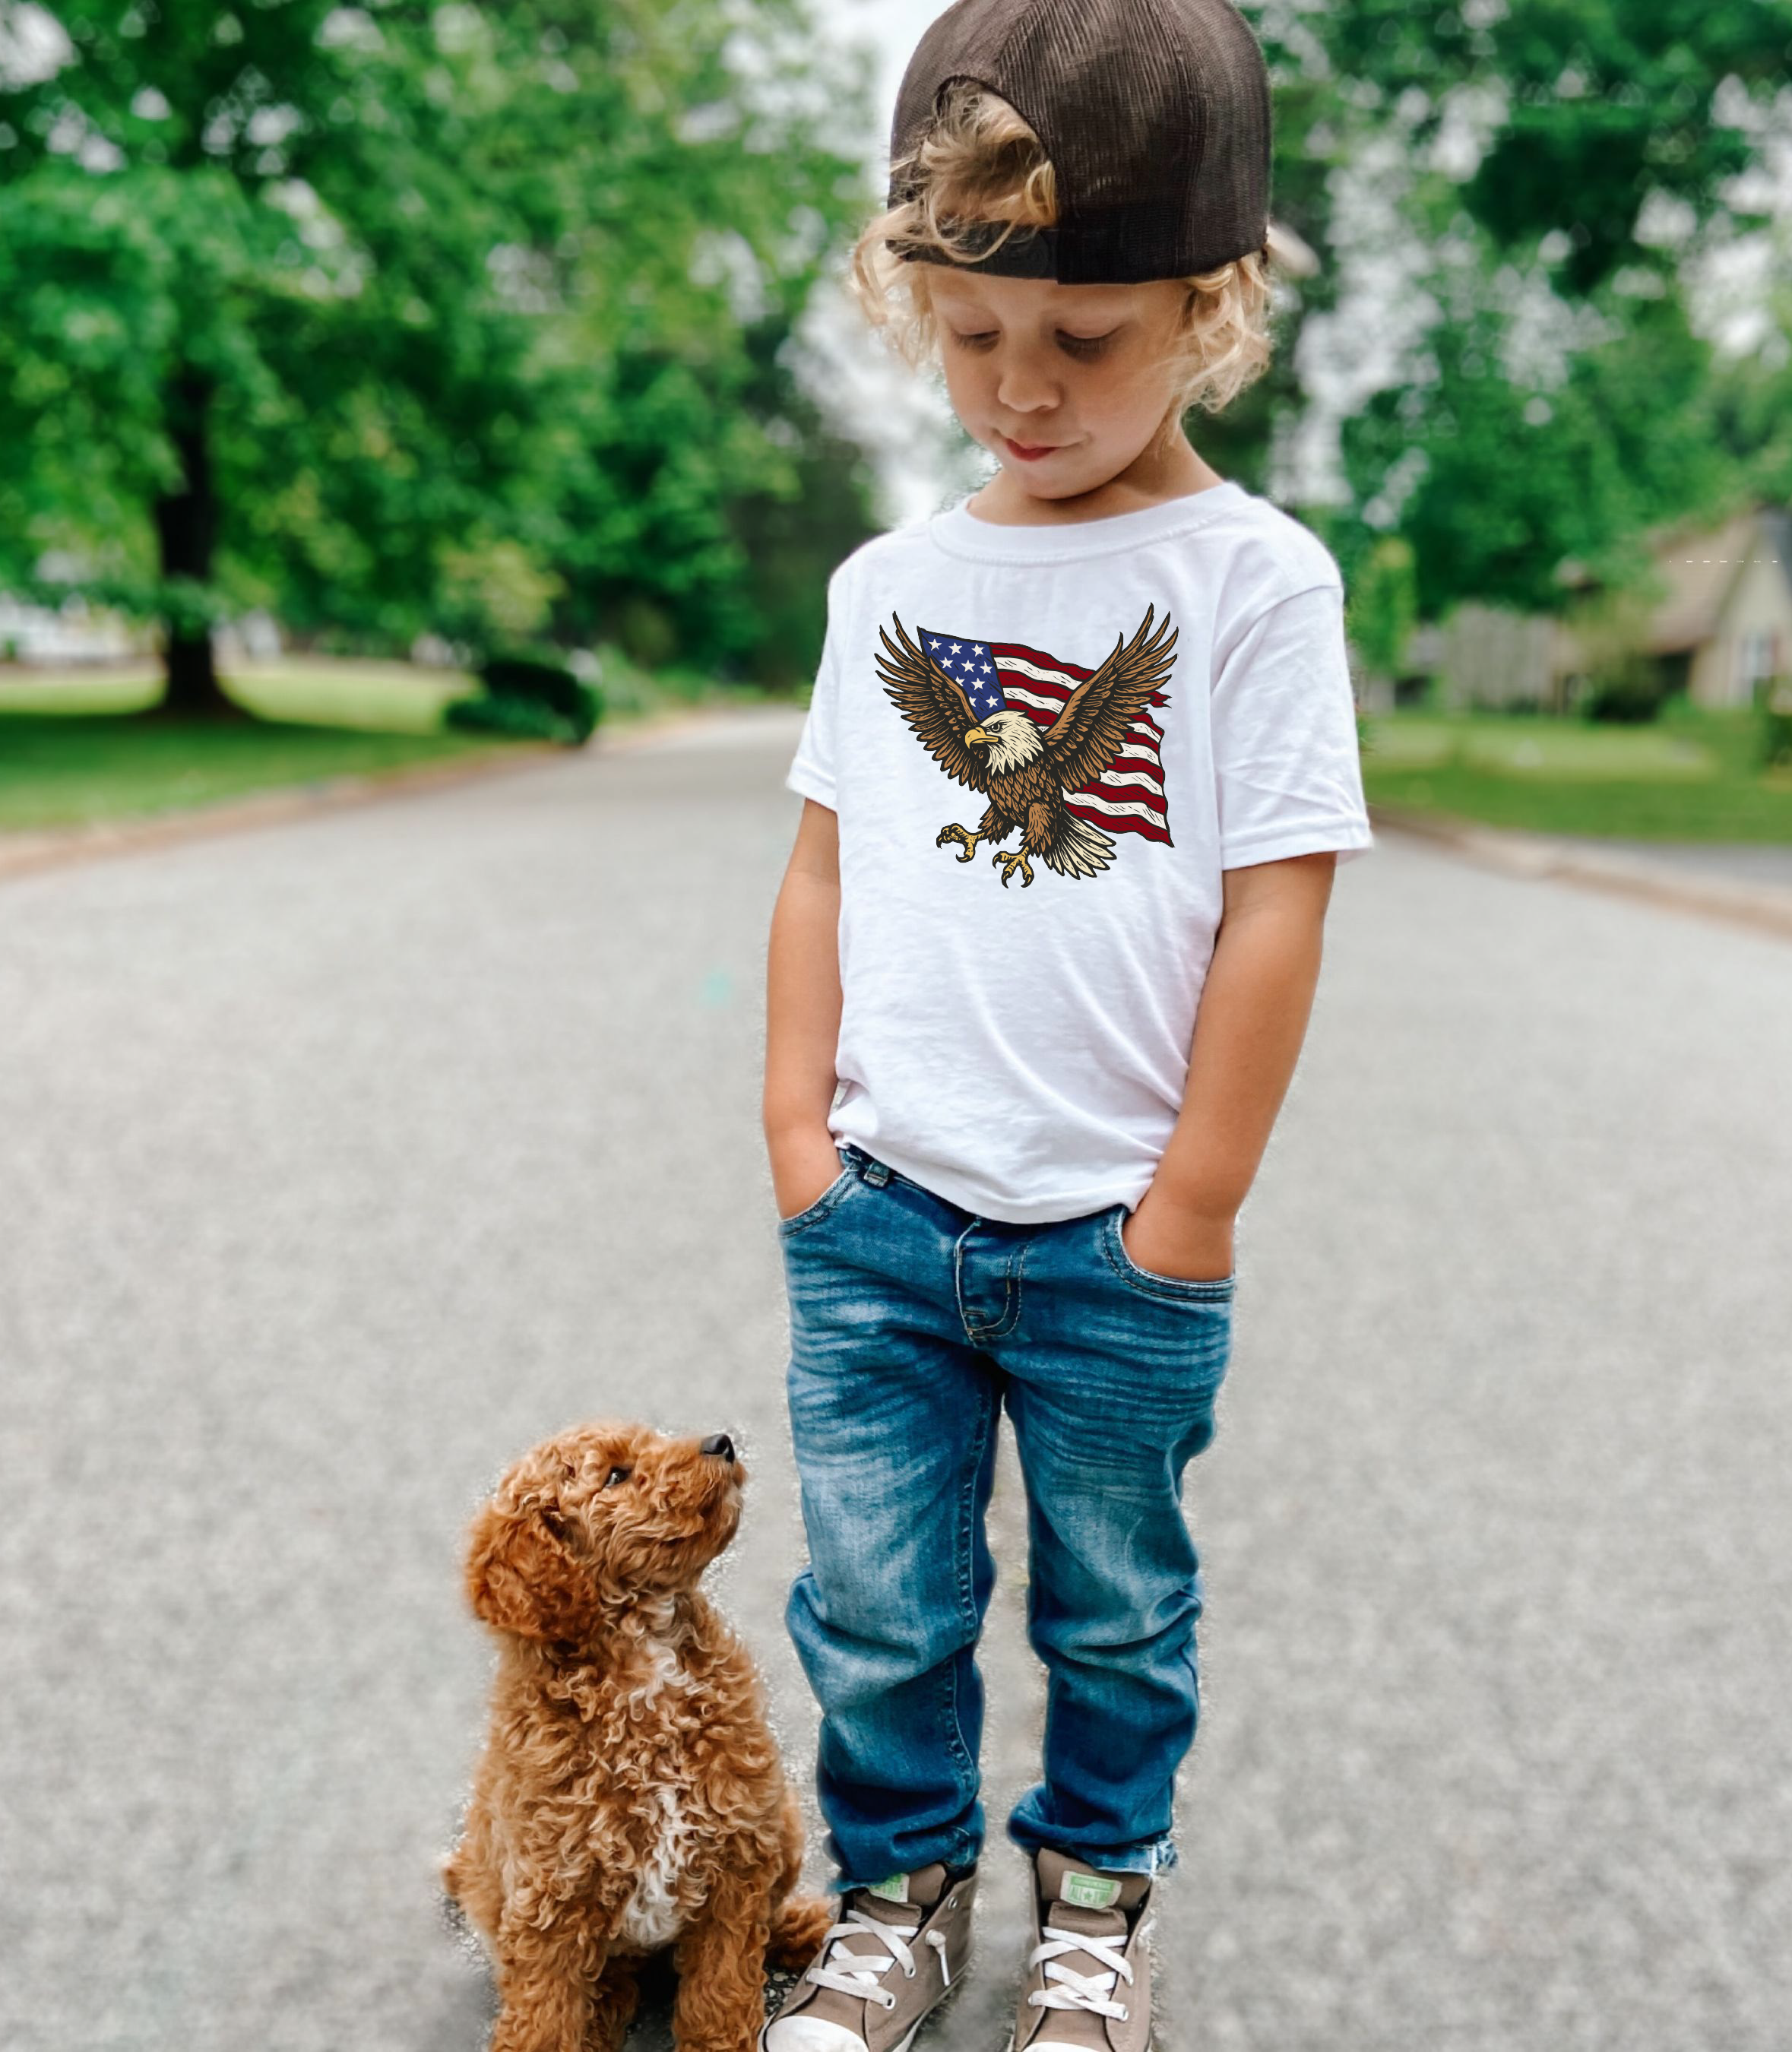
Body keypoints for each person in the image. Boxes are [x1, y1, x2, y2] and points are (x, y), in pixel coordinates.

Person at [759, 2, 1370, 2043]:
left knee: (1114, 1611)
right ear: (910, 299)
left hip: (1116, 1234)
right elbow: (827, 866)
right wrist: (793, 1133)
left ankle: (1094, 1901)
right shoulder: (885, 589)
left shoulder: (1250, 582)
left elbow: (1279, 899)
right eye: (967, 336)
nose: (1018, 391)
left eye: (1082, 340)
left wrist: (1189, 1202)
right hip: (880, 1212)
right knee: (874, 1601)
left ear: (1208, 308)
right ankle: (897, 1891)